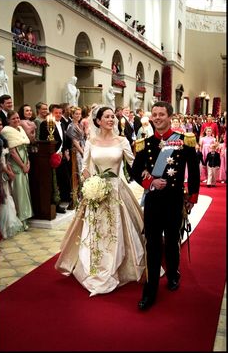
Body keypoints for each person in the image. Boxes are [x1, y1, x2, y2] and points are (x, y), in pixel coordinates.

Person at [55, 106, 146, 296]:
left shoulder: (122, 141)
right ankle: (94, 266)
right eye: (107, 116)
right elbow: (86, 167)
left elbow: (134, 164)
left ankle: (118, 266)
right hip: (96, 192)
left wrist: (149, 176)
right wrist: (90, 183)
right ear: (98, 121)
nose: (111, 119)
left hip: (116, 190)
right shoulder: (91, 141)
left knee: (117, 229)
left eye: (113, 116)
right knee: (96, 230)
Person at [131, 101, 200, 310]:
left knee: (171, 241)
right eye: (155, 114)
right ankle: (150, 290)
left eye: (162, 114)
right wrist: (149, 182)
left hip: (174, 200)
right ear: (151, 117)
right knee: (152, 245)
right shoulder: (145, 143)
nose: (158, 117)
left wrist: (192, 198)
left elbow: (194, 171)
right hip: (153, 202)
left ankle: (172, 274)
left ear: (170, 116)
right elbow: (134, 171)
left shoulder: (183, 141)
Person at [1, 110, 34, 230]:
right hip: (16, 163)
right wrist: (22, 165)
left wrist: (28, 162)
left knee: (25, 190)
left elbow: (25, 147)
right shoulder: (6, 131)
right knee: (18, 190)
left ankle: (26, 217)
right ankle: (20, 218)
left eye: (18, 118)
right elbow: (13, 152)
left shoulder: (20, 129)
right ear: (8, 120)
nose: (16, 120)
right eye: (13, 118)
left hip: (24, 159)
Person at [0, 116, 23, 238]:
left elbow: (6, 159)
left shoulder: (2, 138)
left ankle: (9, 226)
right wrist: (7, 172)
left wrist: (10, 170)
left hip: (6, 169)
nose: (0, 127)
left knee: (8, 195)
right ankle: (3, 229)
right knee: (3, 198)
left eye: (0, 124)